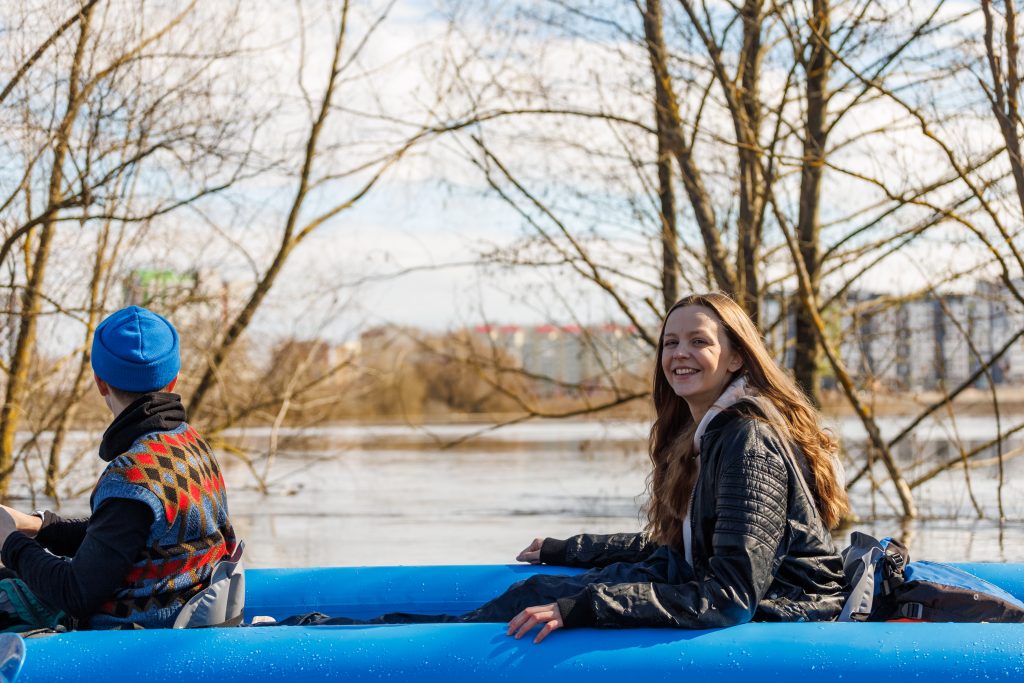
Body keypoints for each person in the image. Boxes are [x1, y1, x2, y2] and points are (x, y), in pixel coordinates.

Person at [283, 292, 848, 642]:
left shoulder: (746, 439)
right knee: (529, 588)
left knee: (533, 605)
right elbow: (676, 551)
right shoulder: (709, 433)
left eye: (698, 342)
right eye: (669, 341)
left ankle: (320, 641)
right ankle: (312, 633)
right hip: (722, 592)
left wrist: (583, 606)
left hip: (787, 617)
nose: (679, 354)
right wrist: (571, 550)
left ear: (736, 356)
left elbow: (730, 597)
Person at [0, 305, 240, 630]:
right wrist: (38, 526)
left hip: (132, 637)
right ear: (173, 380)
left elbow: (74, 593)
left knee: (10, 577)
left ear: (100, 382)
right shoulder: (192, 444)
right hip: (182, 614)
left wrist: (8, 543)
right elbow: (125, 535)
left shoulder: (133, 473)